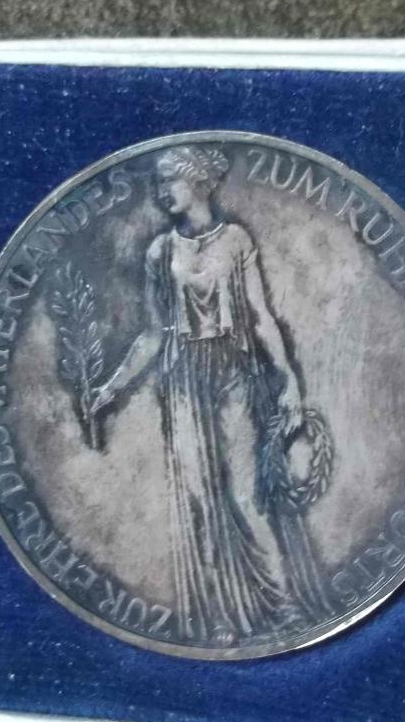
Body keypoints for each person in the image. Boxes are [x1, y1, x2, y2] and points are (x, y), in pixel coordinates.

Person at [92, 145, 329, 645]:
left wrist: (289, 380)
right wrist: (112, 388)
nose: (162, 192)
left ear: (198, 182)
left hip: (234, 373)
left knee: (246, 494)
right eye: (159, 183)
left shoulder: (236, 240)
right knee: (201, 500)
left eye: (170, 181)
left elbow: (261, 317)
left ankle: (285, 609)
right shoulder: (160, 252)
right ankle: (222, 616)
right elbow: (152, 335)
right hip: (183, 381)